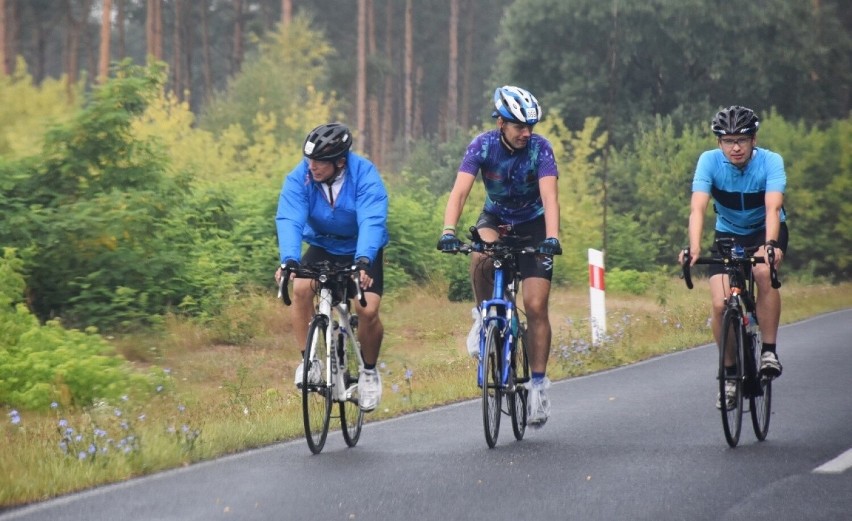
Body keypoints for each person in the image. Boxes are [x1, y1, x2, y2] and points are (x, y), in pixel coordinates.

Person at [437, 85, 562, 427]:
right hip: (495, 219)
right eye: (519, 126)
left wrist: (552, 237)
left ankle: (537, 385)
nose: (527, 133)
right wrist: (448, 231)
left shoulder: (540, 149)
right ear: (500, 123)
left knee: (536, 306)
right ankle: (482, 317)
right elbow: (460, 191)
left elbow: (550, 198)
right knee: (480, 256)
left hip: (533, 225)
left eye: (530, 126)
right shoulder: (483, 145)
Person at [678, 105, 787, 410]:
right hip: (727, 235)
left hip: (766, 230)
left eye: (742, 139)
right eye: (728, 141)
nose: (735, 147)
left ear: (754, 139)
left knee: (764, 273)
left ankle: (768, 351)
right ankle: (728, 376)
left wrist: (770, 244)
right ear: (719, 143)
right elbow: (698, 207)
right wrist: (694, 247)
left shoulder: (770, 162)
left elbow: (772, 208)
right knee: (719, 302)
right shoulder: (709, 162)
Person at [275, 122, 389, 412]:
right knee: (300, 287)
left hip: (360, 249)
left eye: (319, 162)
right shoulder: (301, 176)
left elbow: (371, 220)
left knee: (367, 310)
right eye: (309, 160)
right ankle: (309, 361)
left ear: (340, 162)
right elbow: (290, 217)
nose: (311, 166)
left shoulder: (364, 175)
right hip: (324, 245)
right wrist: (289, 259)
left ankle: (369, 372)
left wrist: (364, 259)